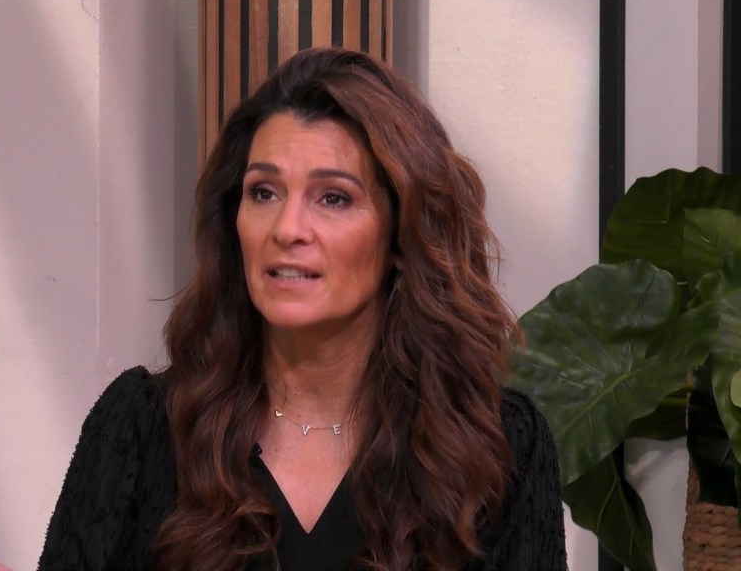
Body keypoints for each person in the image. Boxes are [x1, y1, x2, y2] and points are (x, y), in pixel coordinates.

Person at [38, 47, 567, 571]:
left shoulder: (501, 449)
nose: (287, 229)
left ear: (401, 236)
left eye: (333, 197)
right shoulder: (141, 428)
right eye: (264, 193)